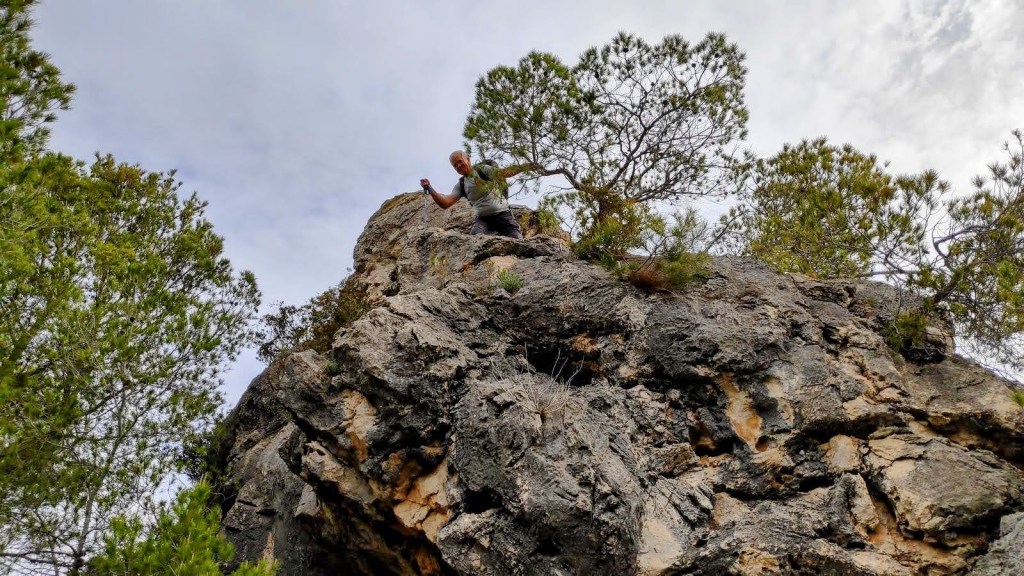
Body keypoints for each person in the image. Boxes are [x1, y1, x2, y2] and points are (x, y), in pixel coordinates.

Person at [419, 151, 537, 239]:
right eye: (455, 165)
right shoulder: (461, 185)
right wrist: (430, 188)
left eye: (460, 161)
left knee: (517, 241)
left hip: (503, 214)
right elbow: (445, 203)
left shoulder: (482, 169)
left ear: (468, 159)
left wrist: (525, 166)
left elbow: (503, 173)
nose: (459, 166)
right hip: (483, 219)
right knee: (474, 240)